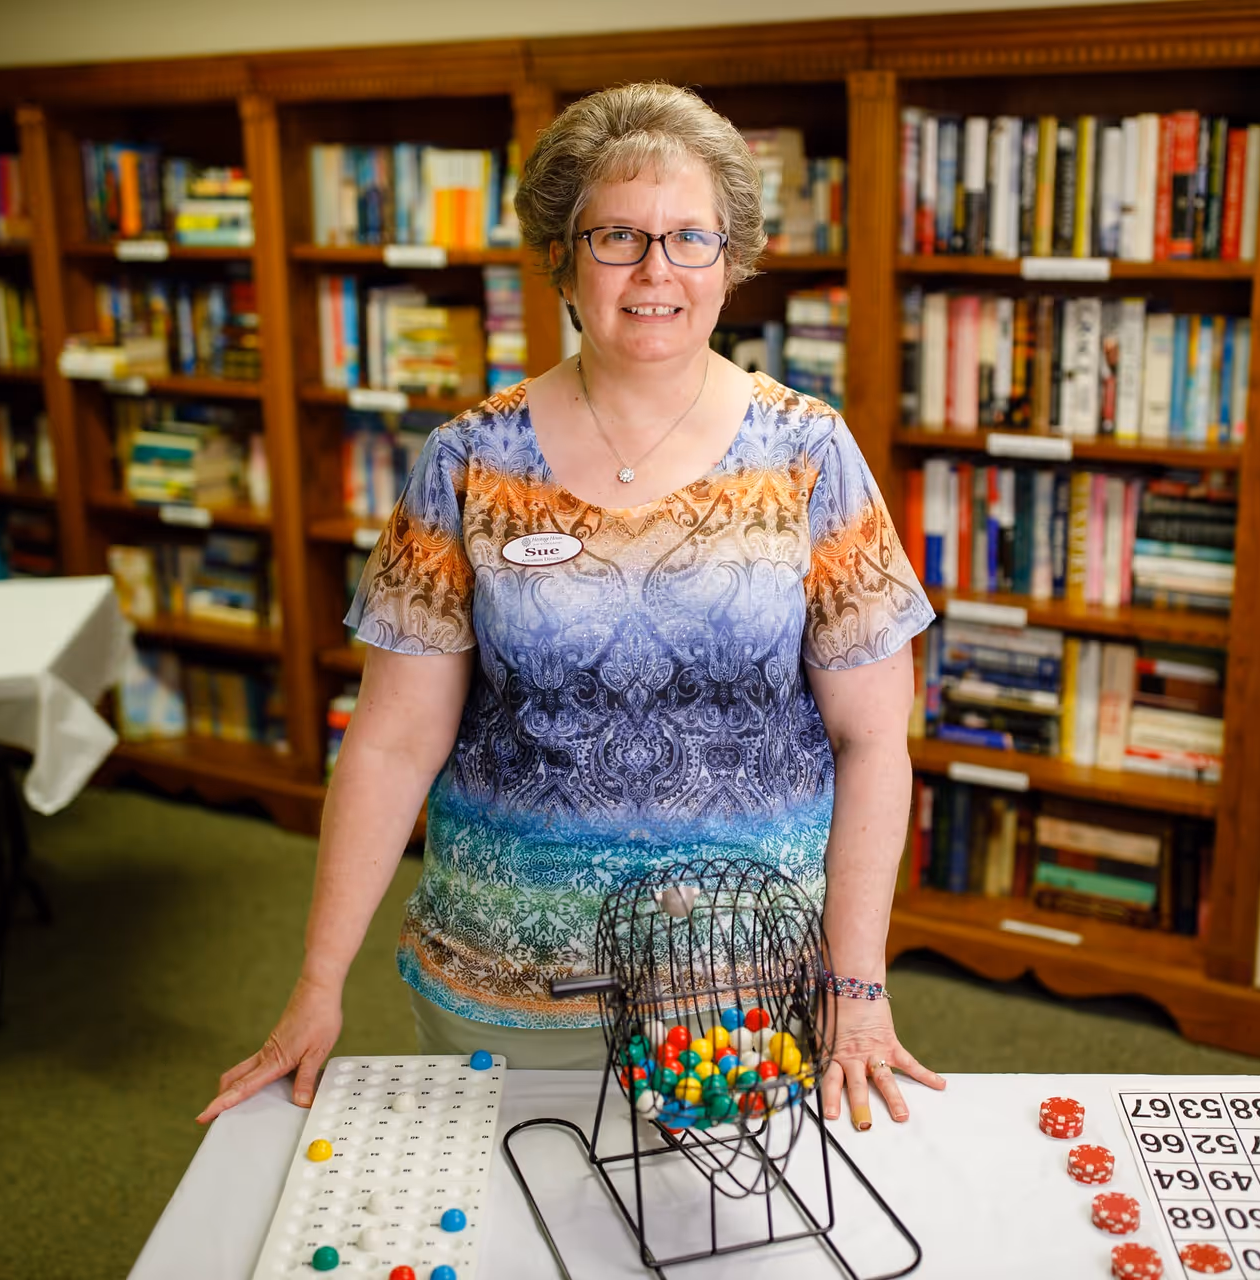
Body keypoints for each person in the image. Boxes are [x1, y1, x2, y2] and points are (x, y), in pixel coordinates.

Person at [198, 82, 944, 1134]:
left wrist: (857, 986)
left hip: (741, 988)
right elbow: (393, 742)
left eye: (692, 237)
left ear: (732, 261)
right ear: (561, 253)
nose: (657, 271)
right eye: (619, 237)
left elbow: (873, 740)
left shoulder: (808, 453)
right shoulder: (468, 461)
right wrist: (317, 981)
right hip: (504, 978)